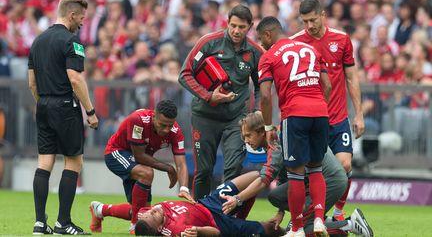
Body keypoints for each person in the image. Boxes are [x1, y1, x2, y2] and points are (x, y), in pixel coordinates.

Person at [223, 112, 373, 237]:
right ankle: (323, 219)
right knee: (275, 196)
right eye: (244, 137)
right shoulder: (278, 136)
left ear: (261, 131)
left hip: (330, 180)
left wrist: (238, 199)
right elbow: (284, 179)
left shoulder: (276, 142)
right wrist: (280, 213)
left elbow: (264, 179)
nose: (246, 141)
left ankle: (349, 224)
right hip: (325, 178)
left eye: (248, 135)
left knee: (300, 231)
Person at [178, 4, 264, 200]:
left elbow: (262, 85)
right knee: (204, 171)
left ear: (250, 26)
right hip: (205, 116)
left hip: (236, 119)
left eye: (241, 27)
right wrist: (209, 96)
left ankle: (224, 217)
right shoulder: (208, 43)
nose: (236, 30)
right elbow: (184, 74)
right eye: (233, 25)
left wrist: (258, 110)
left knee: (233, 167)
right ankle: (200, 214)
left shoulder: (255, 52)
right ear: (227, 22)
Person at [28, 0, 98, 235]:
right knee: (74, 161)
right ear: (72, 14)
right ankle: (63, 223)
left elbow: (31, 83)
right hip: (65, 105)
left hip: (44, 105)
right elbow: (75, 78)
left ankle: (39, 222)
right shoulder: (72, 41)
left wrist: (44, 103)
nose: (82, 23)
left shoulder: (37, 41)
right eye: (81, 18)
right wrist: (90, 111)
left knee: (45, 162)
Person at [290, 0, 365, 221]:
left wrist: (359, 114)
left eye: (312, 20)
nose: (309, 26)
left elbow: (351, 77)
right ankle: (306, 216)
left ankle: (339, 214)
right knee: (307, 172)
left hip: (338, 117)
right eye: (304, 21)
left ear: (323, 15)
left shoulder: (341, 39)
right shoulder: (296, 43)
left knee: (345, 164)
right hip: (310, 120)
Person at [257, 16, 332, 237]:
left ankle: (297, 229)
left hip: (295, 114)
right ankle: (319, 221)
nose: (262, 44)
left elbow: (264, 95)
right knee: (316, 169)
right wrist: (318, 105)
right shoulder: (310, 49)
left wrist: (269, 126)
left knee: (296, 174)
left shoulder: (269, 57)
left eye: (262, 39)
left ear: (269, 34)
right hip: (320, 112)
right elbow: (327, 84)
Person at [89, 100, 192, 234]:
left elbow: (181, 163)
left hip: (140, 162)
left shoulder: (175, 131)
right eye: (162, 125)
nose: (166, 129)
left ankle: (100, 210)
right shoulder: (138, 120)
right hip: (116, 152)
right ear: (154, 116)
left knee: (146, 214)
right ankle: (134, 225)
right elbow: (139, 156)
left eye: (170, 125)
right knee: (147, 173)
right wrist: (169, 168)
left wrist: (184, 188)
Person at [133, 171, 285, 237]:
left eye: (148, 212)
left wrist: (107, 209)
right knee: (269, 229)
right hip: (218, 223)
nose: (152, 210)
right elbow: (215, 233)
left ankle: (240, 215)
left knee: (256, 176)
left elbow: (129, 211)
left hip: (208, 202)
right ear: (159, 227)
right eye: (153, 215)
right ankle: (289, 232)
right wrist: (198, 231)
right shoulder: (176, 229)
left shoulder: (146, 213)